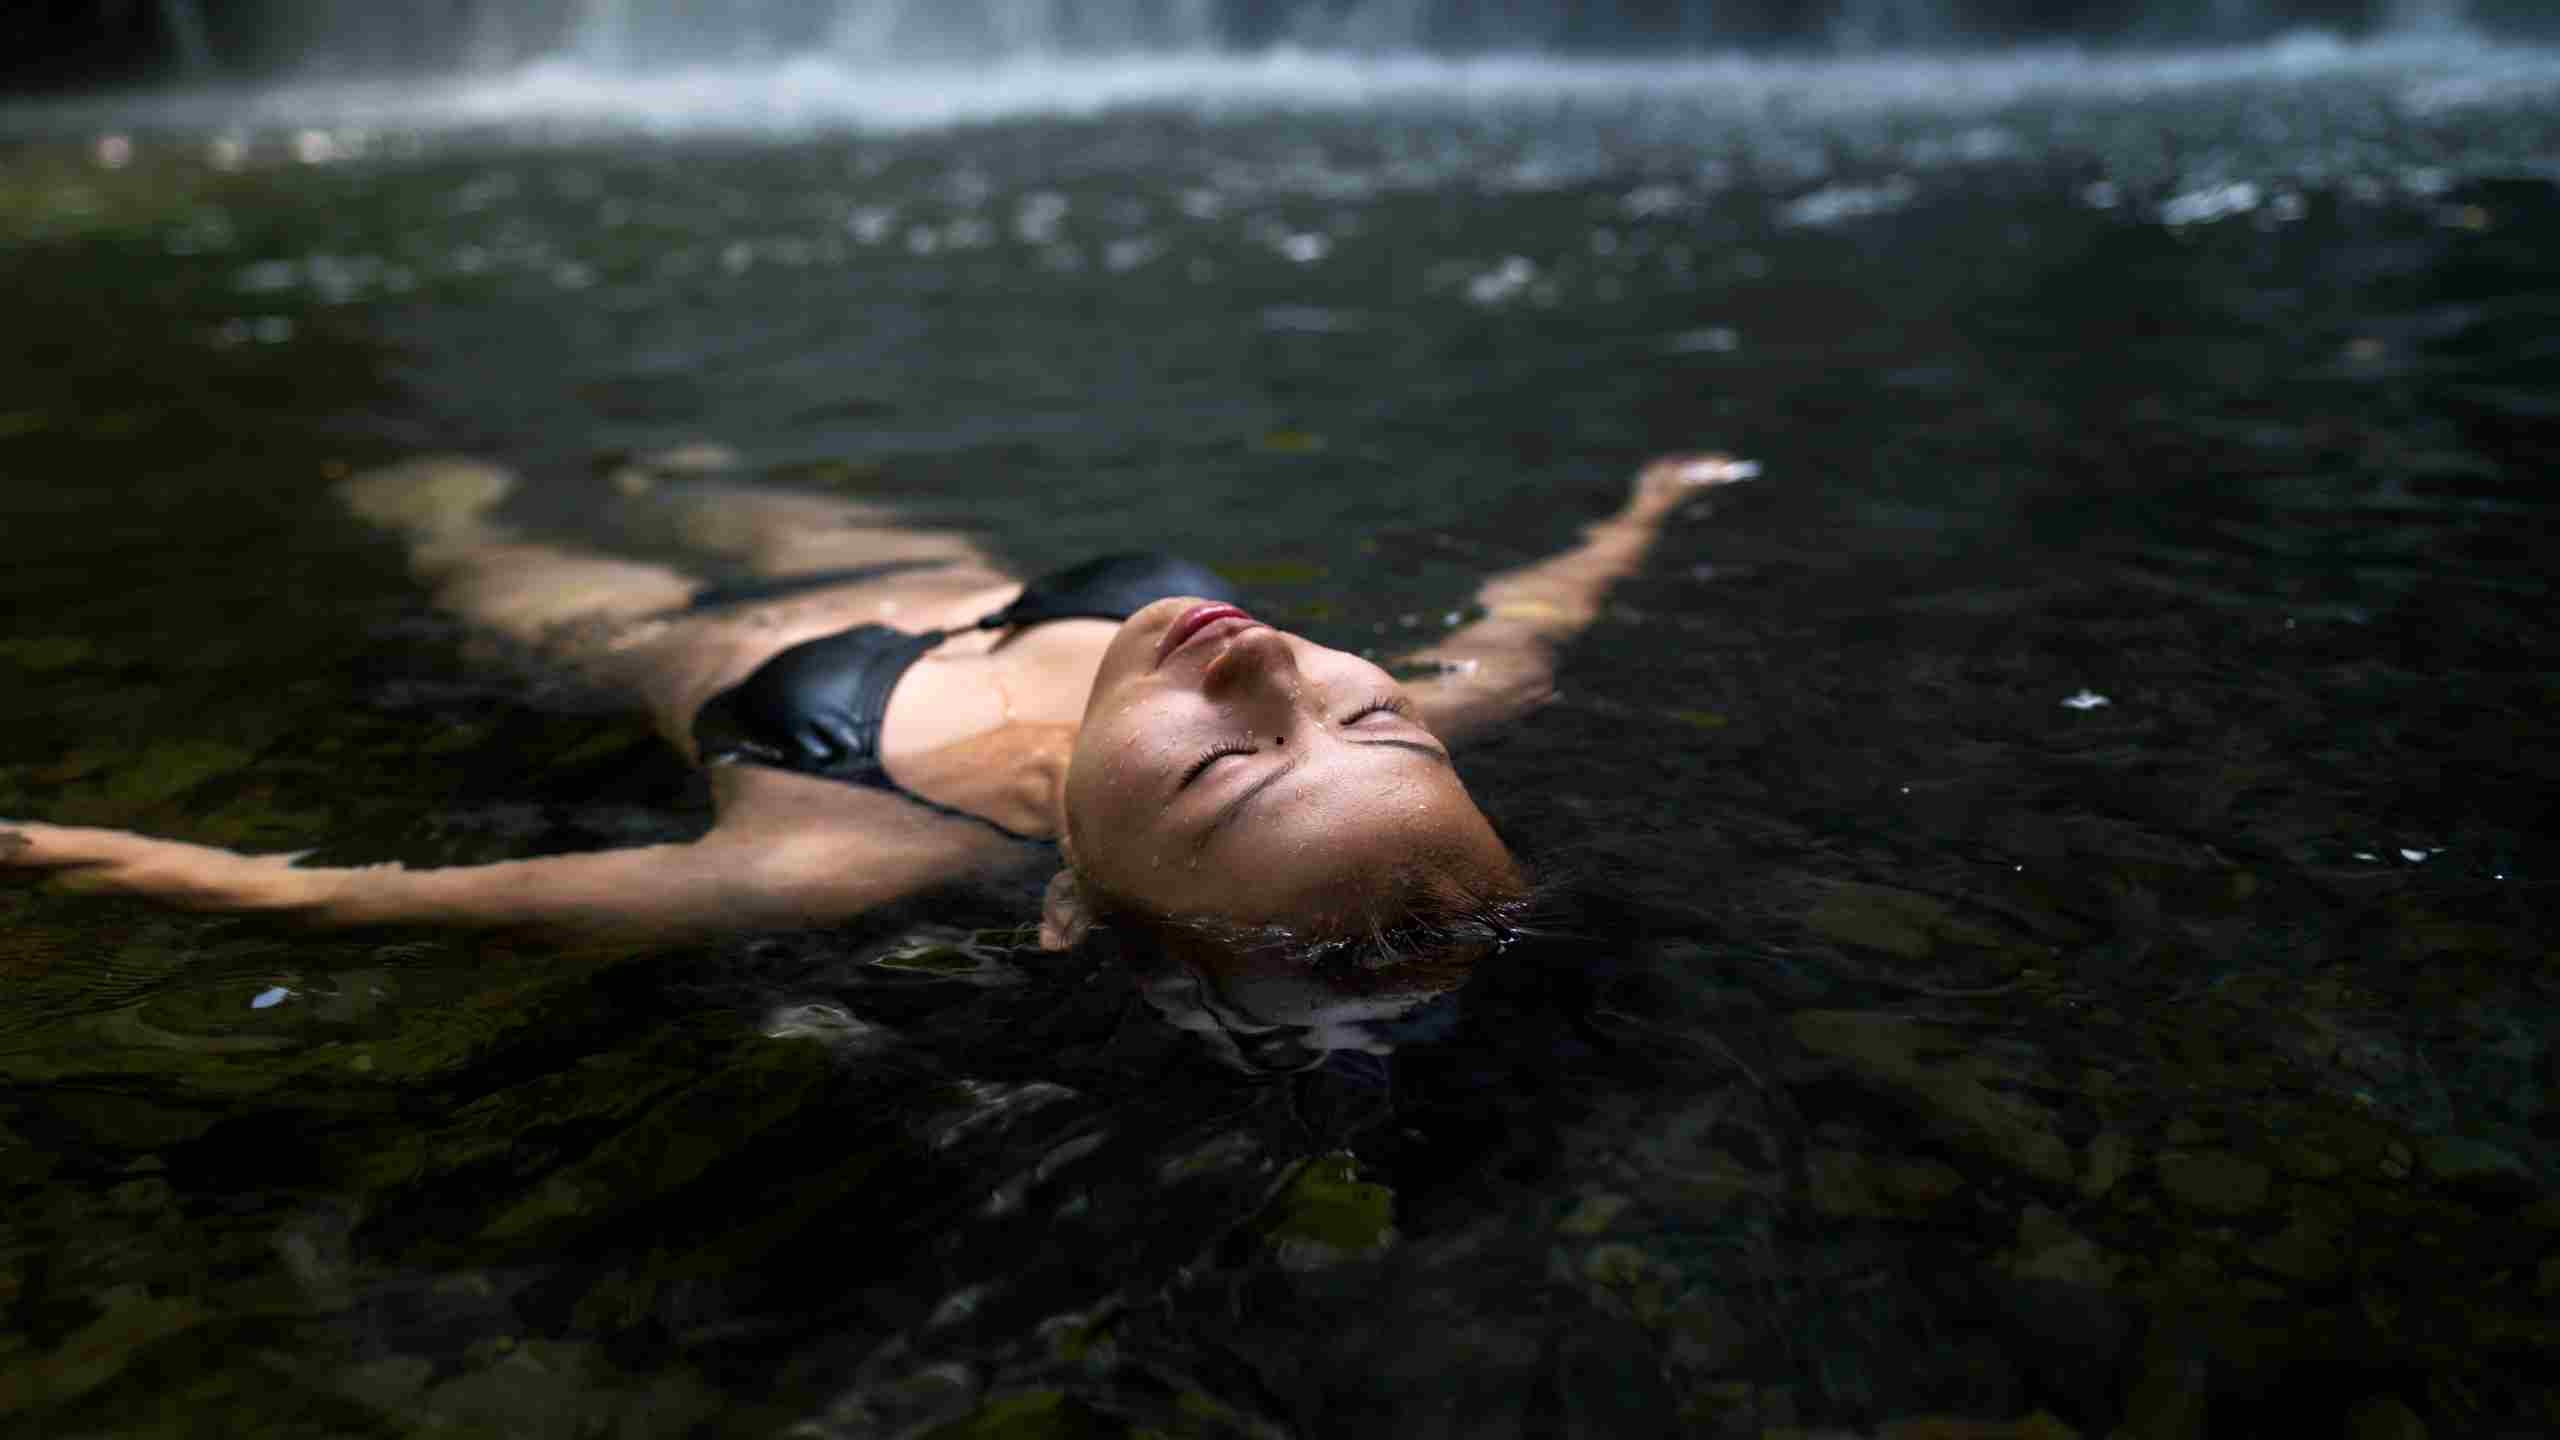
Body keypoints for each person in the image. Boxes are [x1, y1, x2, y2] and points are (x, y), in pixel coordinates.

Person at [0, 451, 1753, 1008]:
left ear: (1076, 893)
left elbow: (339, 901)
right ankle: (671, 465)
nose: (1266, 670)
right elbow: (1534, 626)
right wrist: (1655, 502)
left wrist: (48, 848)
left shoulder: (824, 851)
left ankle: (428, 492)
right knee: (717, 470)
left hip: (674, 641)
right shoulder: (1369, 711)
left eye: (1225, 763)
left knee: (470, 532)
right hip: (896, 563)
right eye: (1372, 705)